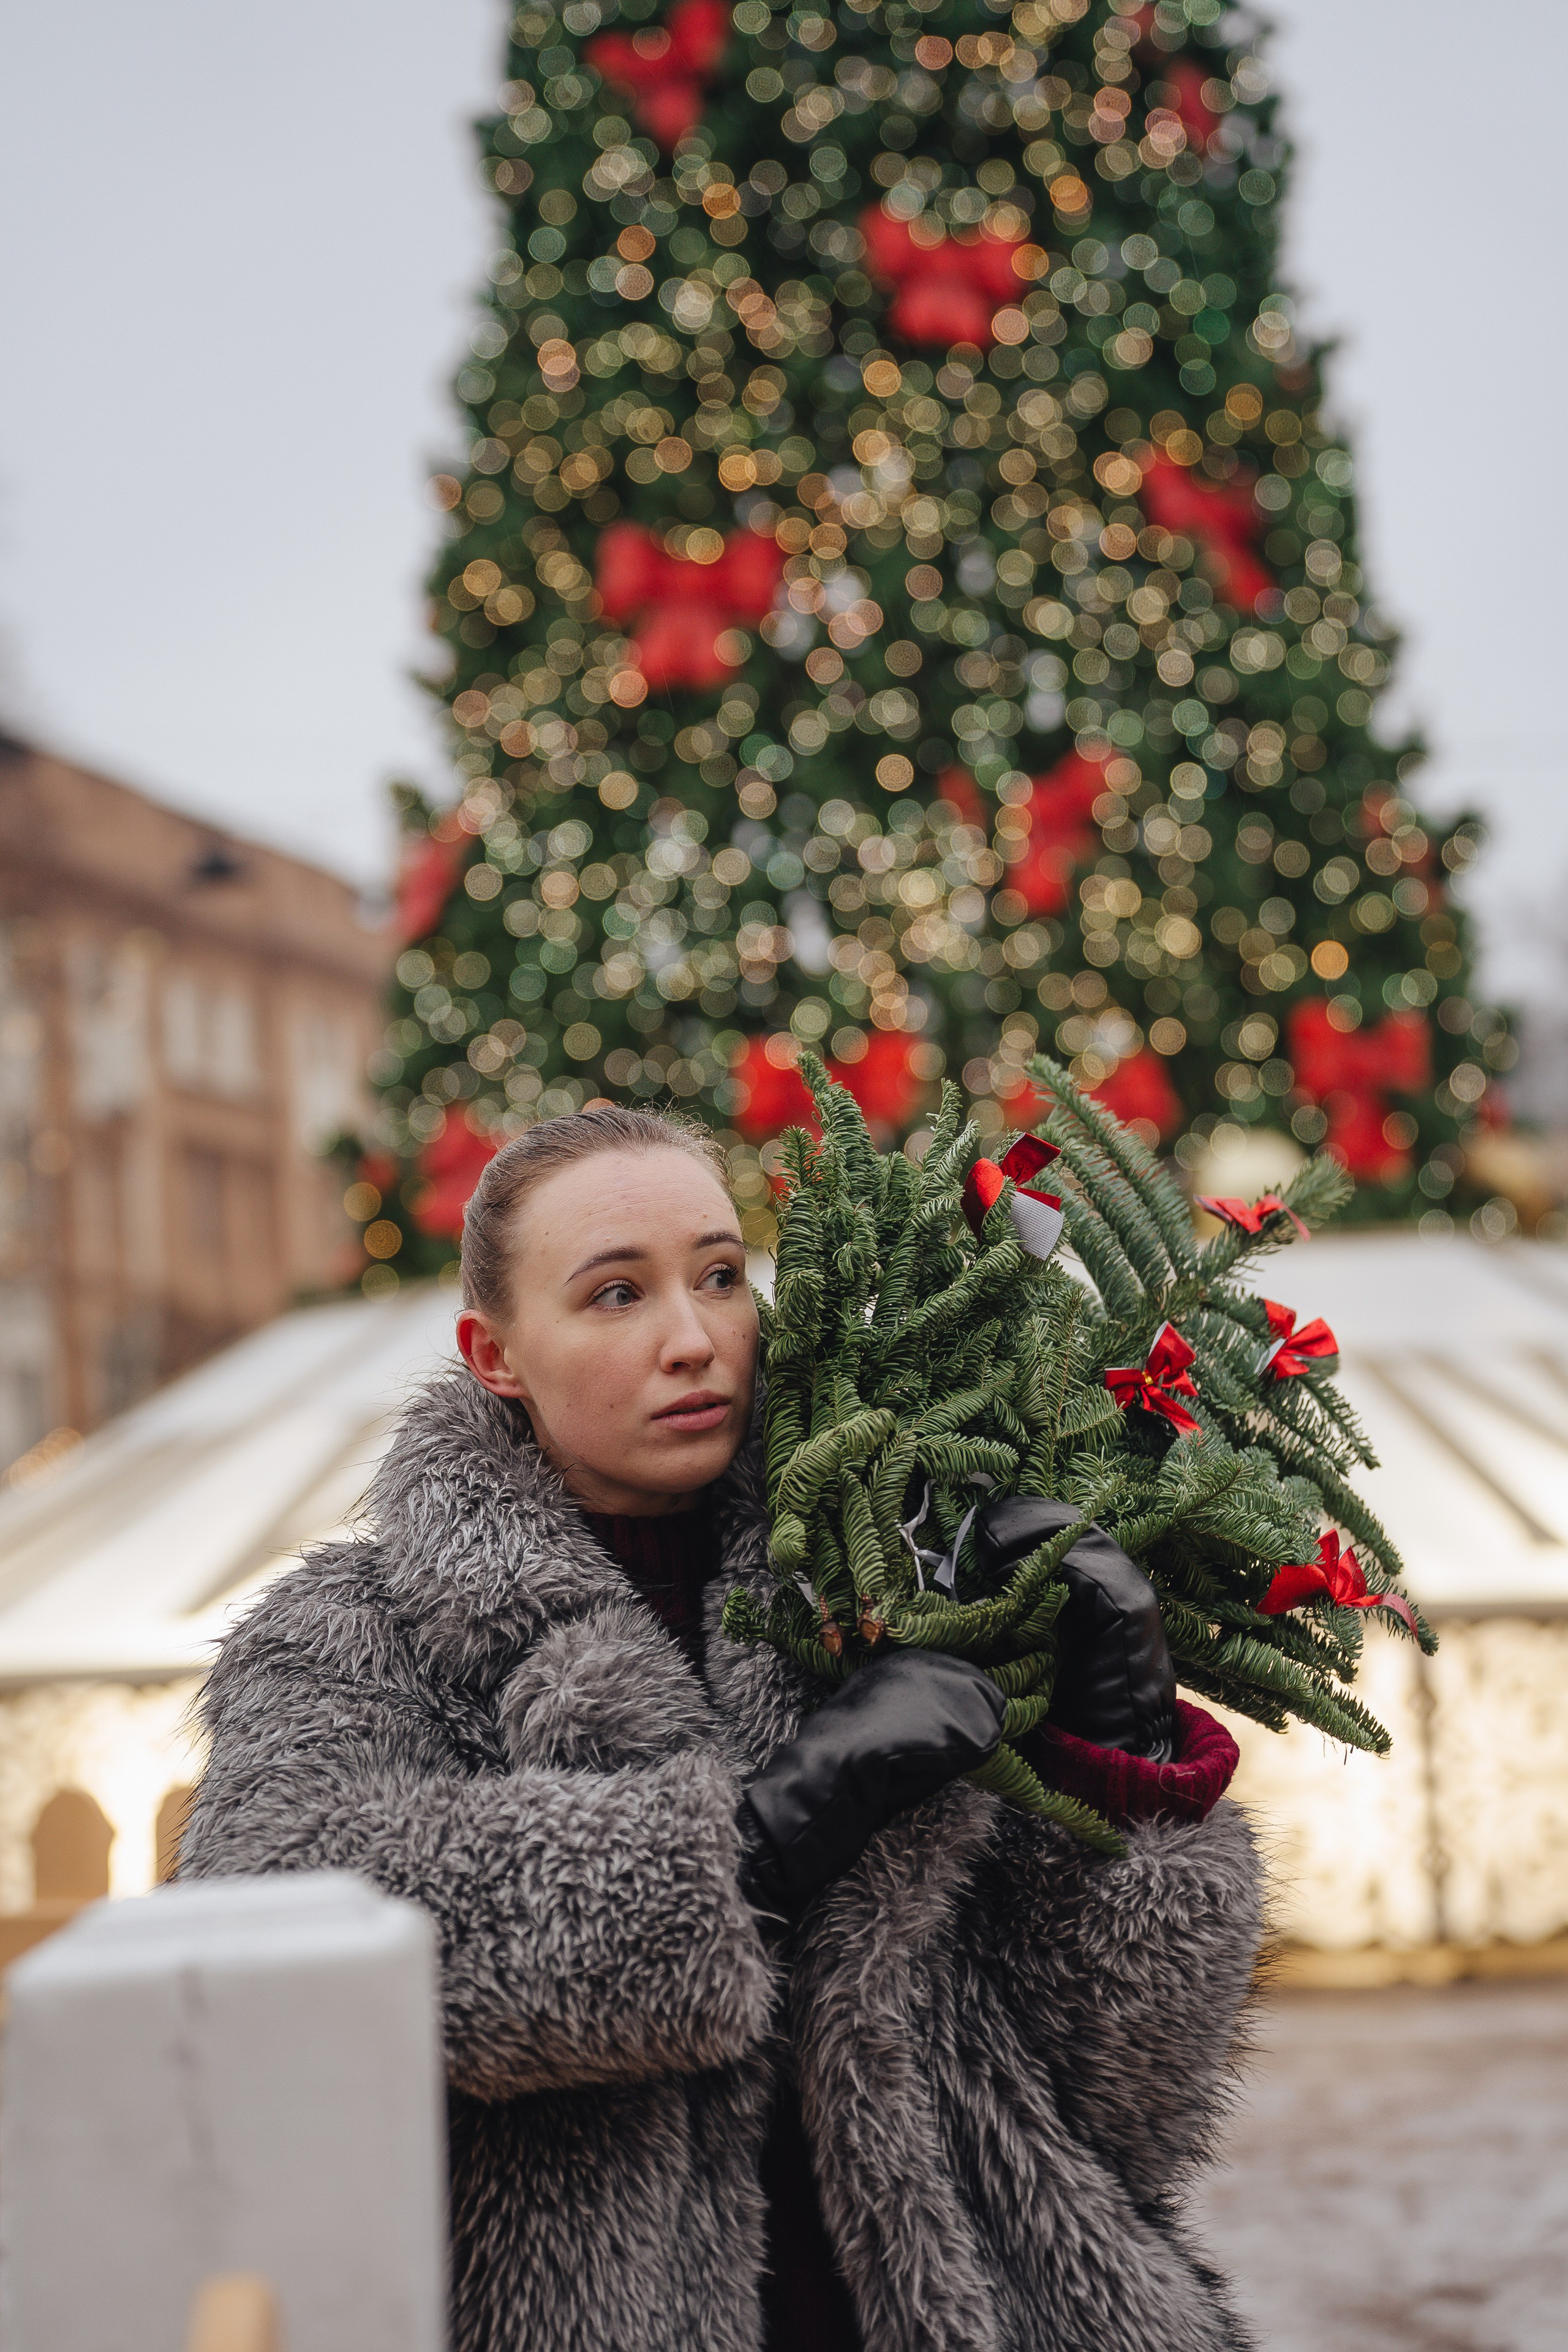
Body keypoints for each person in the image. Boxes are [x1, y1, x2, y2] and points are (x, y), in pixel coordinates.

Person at [181, 1105, 1261, 2352]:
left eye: (716, 1276)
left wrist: (1122, 1765)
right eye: (613, 1296)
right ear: (496, 1354)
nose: (692, 1339)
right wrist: (764, 1831)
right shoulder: (350, 1636)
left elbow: (1132, 2100)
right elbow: (276, 1958)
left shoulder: (893, 1578)